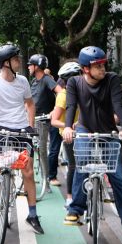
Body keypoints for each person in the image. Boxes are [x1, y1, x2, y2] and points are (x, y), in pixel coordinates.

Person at [62, 46, 122, 242]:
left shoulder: (111, 79)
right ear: (86, 68)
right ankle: (75, 210)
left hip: (108, 132)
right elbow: (70, 107)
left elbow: (118, 104)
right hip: (85, 129)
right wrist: (68, 127)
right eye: (97, 65)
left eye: (104, 64)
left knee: (117, 176)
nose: (102, 68)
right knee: (82, 163)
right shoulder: (74, 83)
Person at [0, 45, 43, 234]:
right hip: (0, 130)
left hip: (21, 130)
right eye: (15, 59)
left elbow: (30, 104)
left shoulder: (22, 81)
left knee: (28, 171)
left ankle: (32, 214)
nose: (19, 62)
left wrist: (30, 127)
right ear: (6, 64)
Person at [27, 54, 63, 187]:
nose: (29, 67)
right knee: (28, 147)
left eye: (30, 65)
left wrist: (55, 110)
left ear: (36, 66)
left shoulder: (46, 79)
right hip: (32, 119)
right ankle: (32, 177)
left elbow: (61, 92)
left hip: (43, 120)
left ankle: (46, 180)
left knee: (42, 149)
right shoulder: (34, 81)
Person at [50, 61, 81, 208]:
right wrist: (69, 127)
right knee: (74, 166)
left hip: (85, 134)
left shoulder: (85, 91)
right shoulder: (63, 95)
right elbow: (54, 121)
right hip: (70, 137)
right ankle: (69, 197)